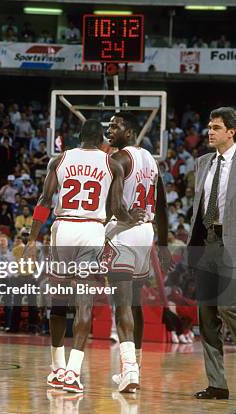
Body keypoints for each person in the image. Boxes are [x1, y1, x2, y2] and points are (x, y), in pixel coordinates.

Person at [23, 119, 140, 393]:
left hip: (63, 229)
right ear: (102, 141)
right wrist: (132, 219)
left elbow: (43, 202)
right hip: (91, 231)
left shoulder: (60, 159)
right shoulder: (112, 164)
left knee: (59, 304)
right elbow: (116, 208)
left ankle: (57, 368)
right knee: (84, 304)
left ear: (78, 139)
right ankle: (74, 372)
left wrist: (31, 239)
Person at [104, 112, 170, 392]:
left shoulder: (119, 159)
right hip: (146, 233)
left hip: (123, 231)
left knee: (122, 302)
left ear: (130, 132)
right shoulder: (151, 162)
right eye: (108, 125)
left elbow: (108, 204)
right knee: (135, 302)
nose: (110, 130)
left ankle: (129, 368)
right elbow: (163, 205)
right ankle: (136, 366)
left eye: (115, 126)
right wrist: (164, 245)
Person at [188, 107, 236, 400]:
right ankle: (217, 384)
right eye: (209, 126)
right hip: (207, 243)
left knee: (230, 308)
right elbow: (198, 209)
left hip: (232, 243)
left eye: (216, 127)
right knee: (206, 316)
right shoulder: (203, 163)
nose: (210, 131)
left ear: (231, 131)